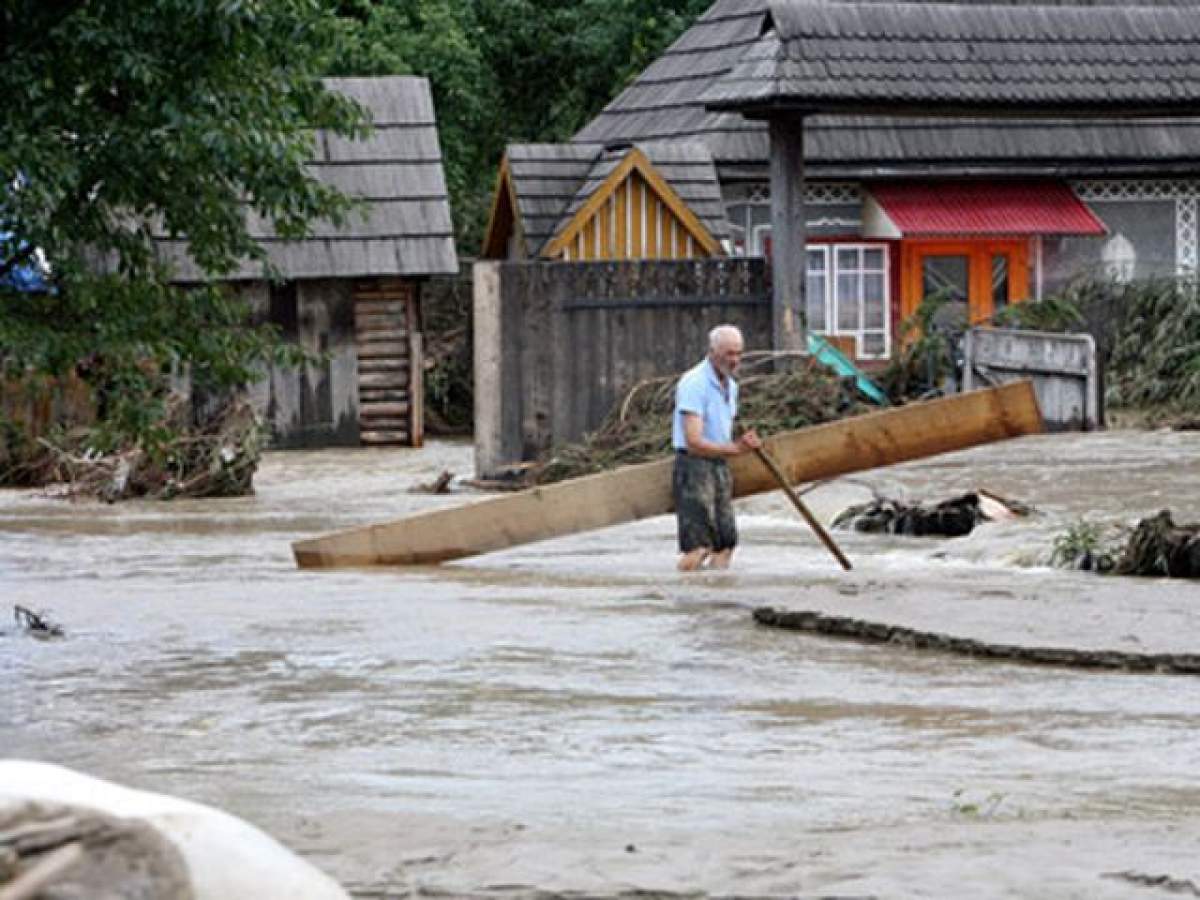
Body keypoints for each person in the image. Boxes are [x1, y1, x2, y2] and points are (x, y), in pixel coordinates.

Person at [672, 324, 761, 571]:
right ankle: (685, 601)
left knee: (725, 543)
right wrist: (737, 449)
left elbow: (724, 431)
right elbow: (693, 440)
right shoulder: (694, 383)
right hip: (694, 467)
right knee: (699, 546)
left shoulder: (731, 387)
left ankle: (715, 601)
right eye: (728, 354)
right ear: (712, 352)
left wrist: (742, 444)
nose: (734, 360)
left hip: (719, 465)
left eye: (738, 354)